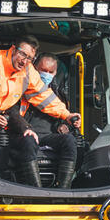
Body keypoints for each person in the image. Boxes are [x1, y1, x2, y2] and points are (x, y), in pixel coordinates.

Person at [0, 36, 81, 186]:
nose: (24, 61)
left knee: (65, 141)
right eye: (22, 54)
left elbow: (44, 96)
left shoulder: (27, 71)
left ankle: (59, 193)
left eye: (30, 58)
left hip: (0, 122)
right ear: (13, 49)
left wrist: (66, 115)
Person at [23, 53, 78, 188]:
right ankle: (37, 189)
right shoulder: (22, 86)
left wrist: (66, 125)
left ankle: (63, 189)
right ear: (34, 68)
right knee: (28, 141)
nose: (46, 74)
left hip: (48, 136)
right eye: (43, 70)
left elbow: (63, 117)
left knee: (70, 140)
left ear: (55, 73)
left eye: (50, 72)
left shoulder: (59, 94)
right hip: (26, 134)